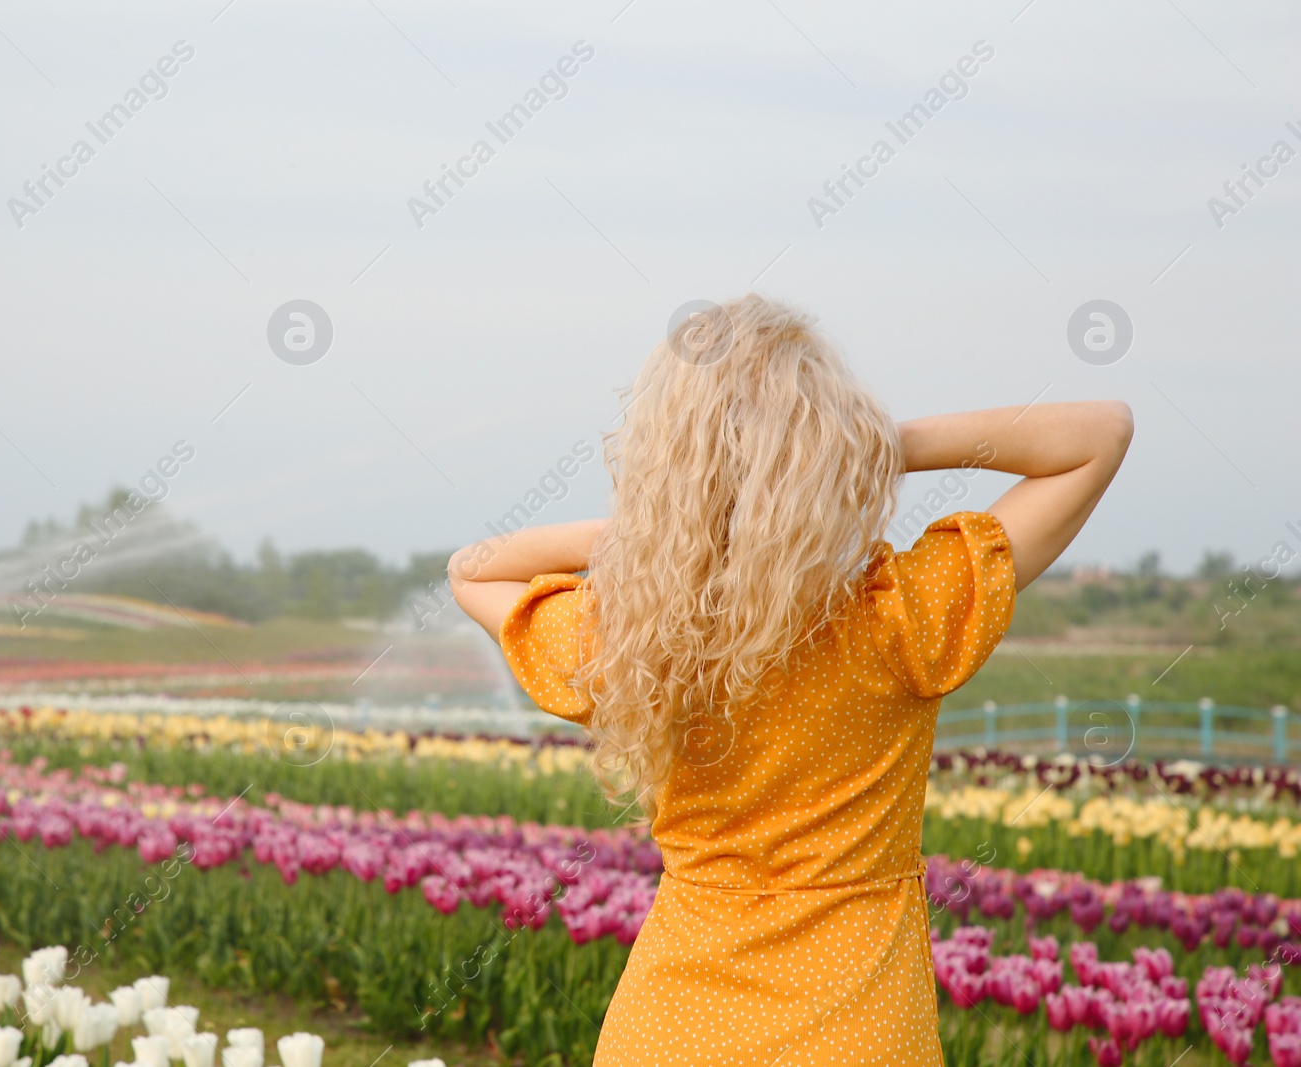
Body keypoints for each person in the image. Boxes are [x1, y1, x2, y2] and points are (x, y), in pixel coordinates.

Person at [448, 293, 1132, 1066]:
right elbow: (1101, 432)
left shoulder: (633, 640)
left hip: (668, 1029)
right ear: (831, 446)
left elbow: (471, 567)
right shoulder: (896, 618)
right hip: (855, 1030)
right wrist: (876, 448)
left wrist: (669, 519)